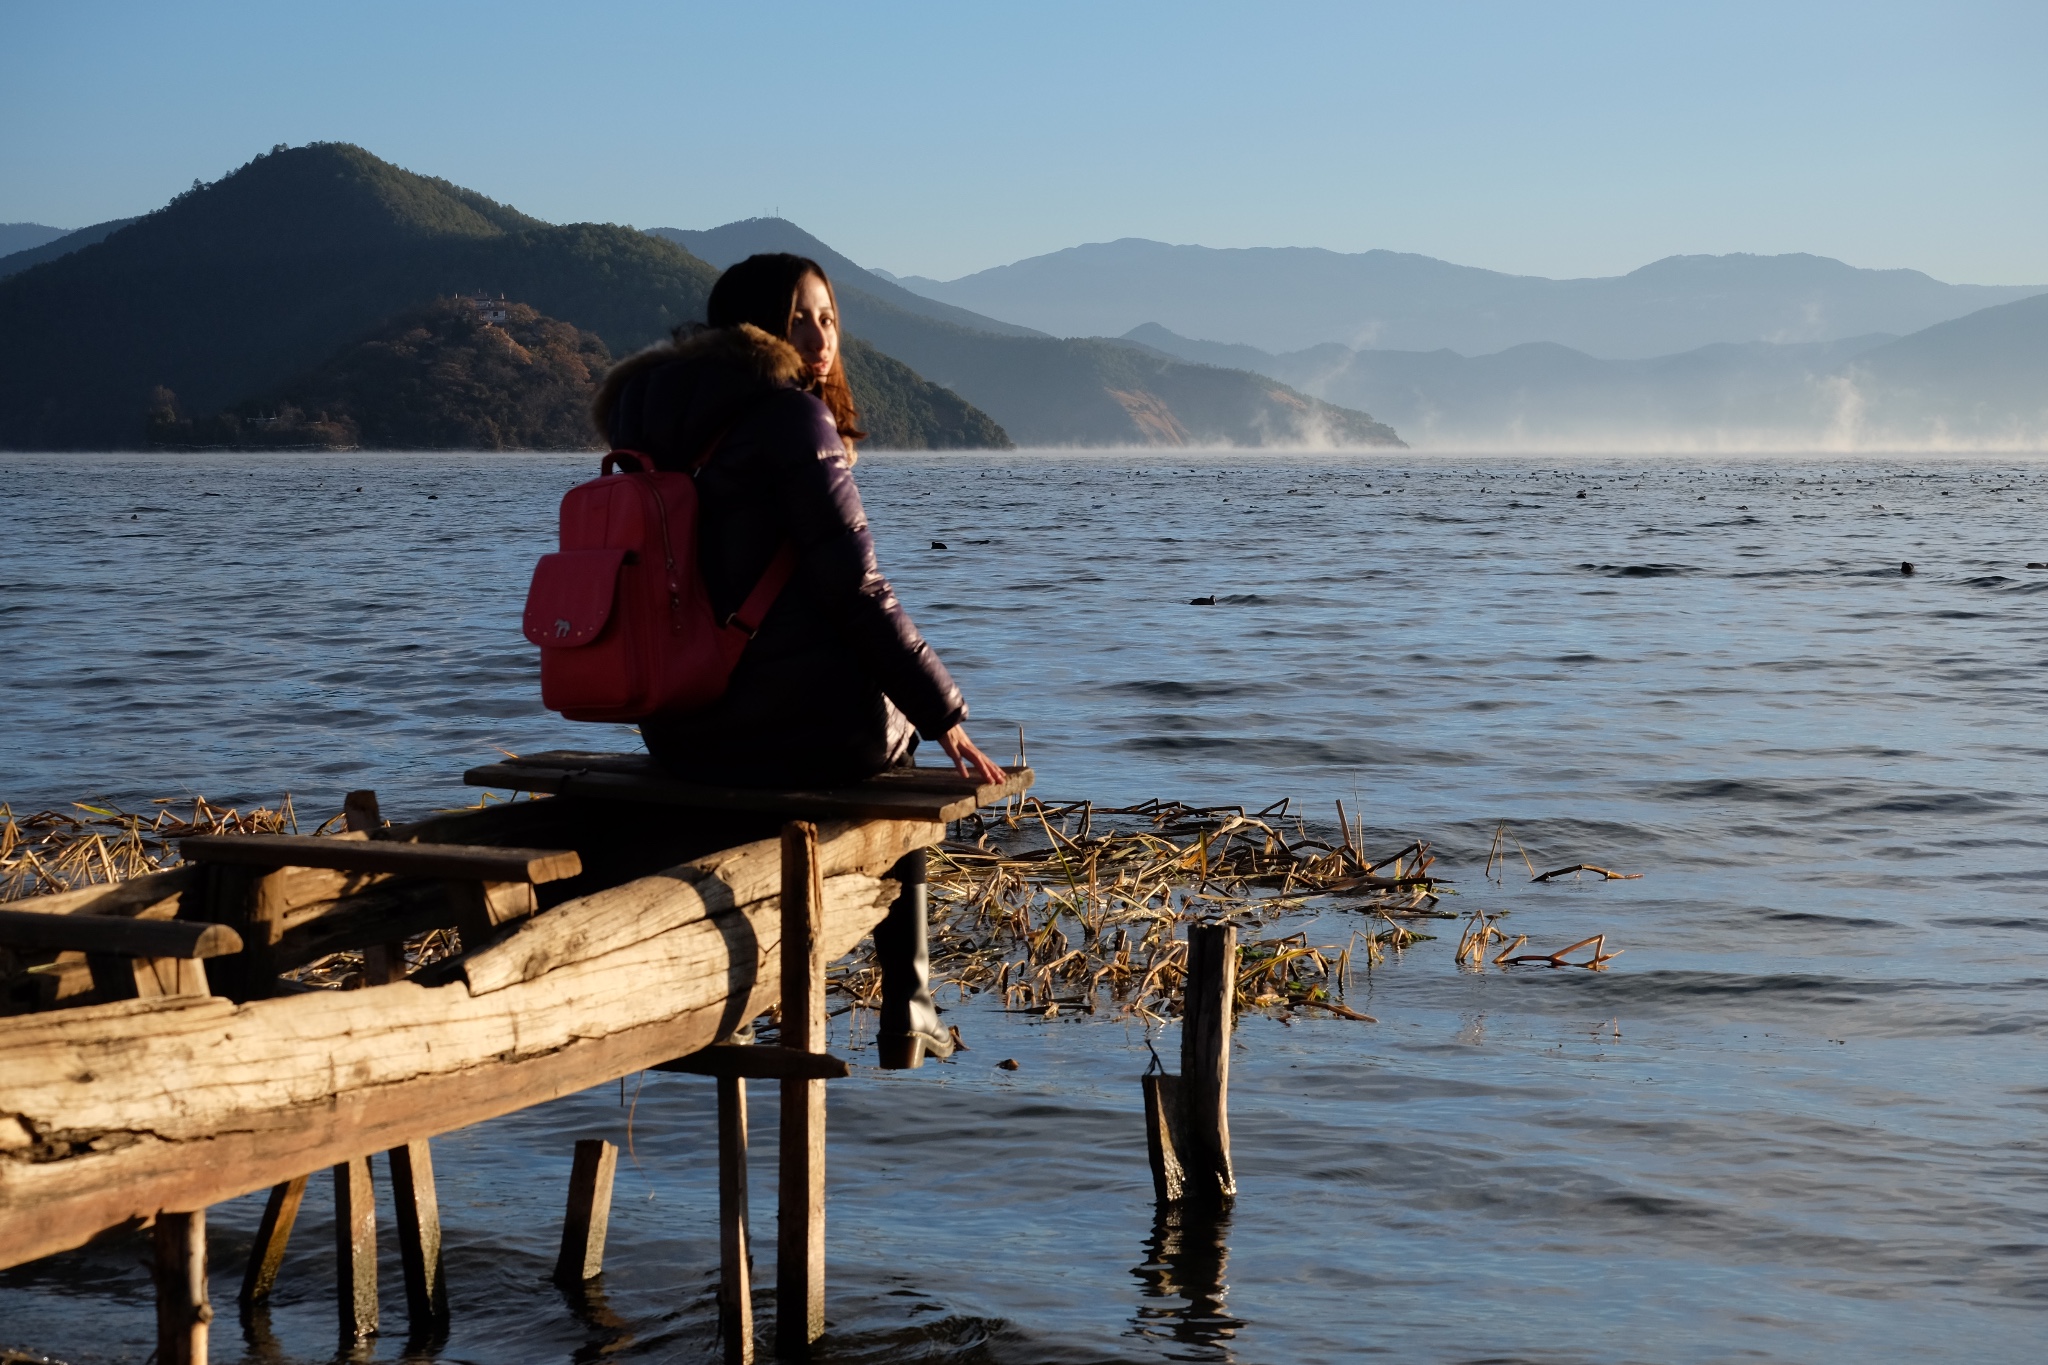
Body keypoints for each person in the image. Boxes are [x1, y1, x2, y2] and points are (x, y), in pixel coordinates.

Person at [592, 252, 1001, 1066]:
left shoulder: (648, 420)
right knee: (899, 741)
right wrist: (942, 712)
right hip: (791, 734)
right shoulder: (790, 421)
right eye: (798, 319)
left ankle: (744, 984)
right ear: (754, 330)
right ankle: (911, 999)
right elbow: (859, 592)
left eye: (829, 317)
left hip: (676, 726)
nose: (819, 336)